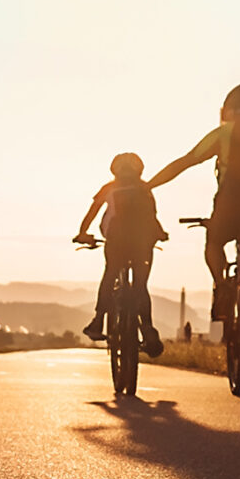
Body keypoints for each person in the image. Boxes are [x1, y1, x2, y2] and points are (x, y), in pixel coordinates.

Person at [146, 81, 240, 371]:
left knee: (215, 243)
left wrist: (148, 185)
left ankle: (222, 287)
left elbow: (185, 162)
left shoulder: (224, 133)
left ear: (229, 110)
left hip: (230, 209)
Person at [75, 152, 167, 356]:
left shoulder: (109, 187)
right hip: (143, 242)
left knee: (110, 274)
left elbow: (92, 211)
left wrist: (82, 233)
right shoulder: (145, 188)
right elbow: (152, 216)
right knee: (141, 285)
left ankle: (98, 320)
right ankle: (148, 329)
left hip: (116, 240)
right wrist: (160, 234)